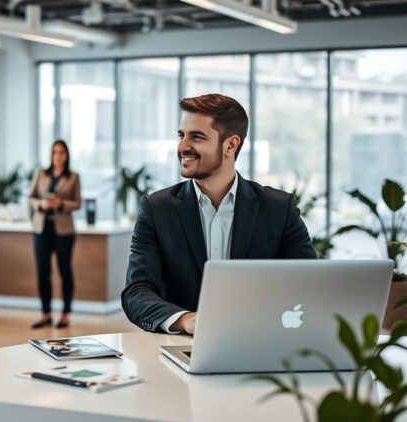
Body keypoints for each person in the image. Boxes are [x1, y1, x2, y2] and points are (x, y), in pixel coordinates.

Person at [122, 94, 317, 336]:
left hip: (261, 342)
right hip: (182, 347)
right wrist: (185, 320)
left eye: (197, 137)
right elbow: (137, 292)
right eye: (181, 136)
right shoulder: (156, 209)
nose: (183, 147)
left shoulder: (278, 208)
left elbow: (309, 283)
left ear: (230, 145)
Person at [28, 140, 82, 329]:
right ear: (51, 155)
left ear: (66, 155)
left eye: (61, 152)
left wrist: (60, 204)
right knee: (43, 271)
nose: (57, 156)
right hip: (42, 229)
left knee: (64, 270)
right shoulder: (41, 174)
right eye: (54, 152)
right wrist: (41, 205)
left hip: (64, 231)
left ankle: (65, 314)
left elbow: (77, 203)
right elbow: (31, 198)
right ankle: (45, 313)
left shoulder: (73, 177)